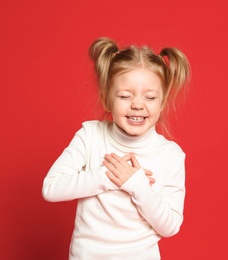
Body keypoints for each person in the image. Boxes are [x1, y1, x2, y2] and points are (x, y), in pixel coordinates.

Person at [42, 37, 190, 260]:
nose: (138, 104)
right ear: (106, 98)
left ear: (162, 102)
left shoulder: (171, 155)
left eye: (150, 97)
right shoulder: (90, 135)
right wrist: (108, 176)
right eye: (124, 96)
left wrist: (138, 186)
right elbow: (51, 188)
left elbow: (170, 226)